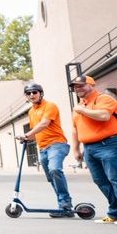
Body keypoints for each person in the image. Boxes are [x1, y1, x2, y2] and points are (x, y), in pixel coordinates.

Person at [68, 74, 117, 224]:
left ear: (91, 85)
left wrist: (81, 110)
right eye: (75, 86)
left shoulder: (104, 99)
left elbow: (104, 115)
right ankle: (115, 213)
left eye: (80, 85)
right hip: (89, 148)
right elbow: (75, 129)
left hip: (110, 144)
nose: (77, 88)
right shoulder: (79, 107)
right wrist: (76, 149)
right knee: (102, 181)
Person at [18, 82, 75, 217]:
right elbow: (35, 132)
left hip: (57, 144)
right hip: (42, 147)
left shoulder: (50, 106)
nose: (32, 95)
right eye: (28, 93)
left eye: (34, 92)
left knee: (55, 169)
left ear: (40, 93)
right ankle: (64, 207)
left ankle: (65, 203)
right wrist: (26, 138)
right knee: (51, 177)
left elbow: (44, 124)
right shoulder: (31, 111)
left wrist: (27, 134)